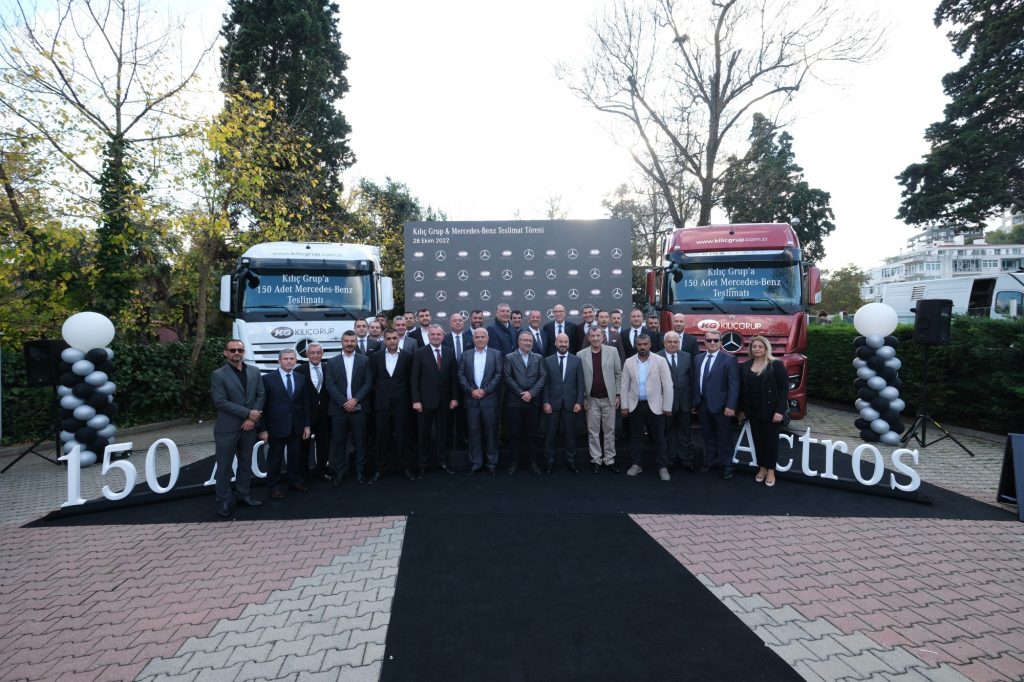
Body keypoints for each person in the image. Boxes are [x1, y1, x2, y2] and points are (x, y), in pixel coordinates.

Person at [210, 340, 265, 517]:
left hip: (249, 427)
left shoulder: (254, 371)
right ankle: (223, 501)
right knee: (224, 467)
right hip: (227, 428)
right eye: (232, 350)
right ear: (226, 352)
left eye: (240, 350)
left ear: (244, 352)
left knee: (245, 463)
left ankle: (243, 495)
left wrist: (252, 418)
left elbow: (261, 394)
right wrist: (249, 413)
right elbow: (220, 401)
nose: (236, 353)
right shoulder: (218, 374)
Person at [259, 349, 311, 499]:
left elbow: (305, 403)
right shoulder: (268, 379)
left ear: (296, 360)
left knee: (295, 457)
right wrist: (263, 429)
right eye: (286, 359)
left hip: (297, 426)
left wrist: (307, 425)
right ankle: (273, 487)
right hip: (276, 427)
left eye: (292, 358)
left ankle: (293, 481)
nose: (289, 361)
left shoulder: (301, 378)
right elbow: (263, 406)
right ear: (279, 361)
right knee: (275, 458)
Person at [738, 335, 790, 487]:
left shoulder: (776, 365)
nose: (757, 349)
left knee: (770, 442)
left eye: (760, 346)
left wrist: (780, 410)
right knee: (757, 440)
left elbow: (783, 389)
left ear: (766, 348)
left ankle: (771, 470)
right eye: (754, 347)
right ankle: (761, 468)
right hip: (752, 410)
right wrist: (741, 410)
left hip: (771, 410)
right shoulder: (745, 366)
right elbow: (742, 390)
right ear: (750, 349)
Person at [620, 334, 673, 480]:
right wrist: (624, 406)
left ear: (650, 344)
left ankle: (662, 467)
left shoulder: (660, 361)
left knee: (659, 438)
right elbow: (624, 385)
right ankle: (636, 465)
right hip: (635, 405)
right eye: (639, 344)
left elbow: (667, 385)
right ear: (635, 346)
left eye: (645, 344)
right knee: (636, 437)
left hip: (656, 405)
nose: (642, 347)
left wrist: (667, 406)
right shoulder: (629, 362)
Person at [325, 330, 374, 485]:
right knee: (339, 443)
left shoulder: (364, 360)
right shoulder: (332, 362)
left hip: (359, 408)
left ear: (356, 342)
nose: (349, 344)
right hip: (338, 409)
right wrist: (344, 402)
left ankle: (360, 472)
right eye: (346, 341)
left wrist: (355, 400)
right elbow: (330, 384)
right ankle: (339, 473)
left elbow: (368, 382)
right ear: (342, 342)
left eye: (352, 341)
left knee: (360, 442)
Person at [411, 324, 459, 476]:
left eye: (439, 334)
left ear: (443, 336)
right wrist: (416, 400)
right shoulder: (419, 353)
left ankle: (442, 462)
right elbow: (414, 379)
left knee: (442, 434)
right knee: (423, 435)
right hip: (424, 402)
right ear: (429, 336)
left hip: (445, 402)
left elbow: (454, 378)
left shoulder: (450, 352)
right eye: (433, 334)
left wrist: (455, 398)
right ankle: (423, 465)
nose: (436, 337)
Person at [692, 331, 740, 479]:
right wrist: (695, 402)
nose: (712, 343)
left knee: (725, 437)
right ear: (704, 342)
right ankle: (711, 462)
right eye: (709, 340)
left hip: (722, 406)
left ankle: (727, 466)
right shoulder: (698, 358)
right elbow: (695, 381)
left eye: (715, 340)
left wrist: (731, 406)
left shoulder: (729, 359)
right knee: (708, 436)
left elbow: (734, 385)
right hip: (703, 404)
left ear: (720, 342)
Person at [370, 328, 415, 481]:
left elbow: (411, 380)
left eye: (394, 338)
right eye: (388, 338)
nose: (391, 341)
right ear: (384, 340)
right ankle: (380, 469)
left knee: (403, 437)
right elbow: (373, 380)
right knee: (382, 437)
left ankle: (406, 468)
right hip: (382, 404)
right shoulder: (375, 357)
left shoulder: (408, 357)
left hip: (402, 404)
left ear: (399, 339)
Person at [458, 327, 504, 476]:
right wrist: (471, 391)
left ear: (487, 338)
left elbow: (498, 375)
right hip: (471, 400)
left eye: (482, 337)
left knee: (491, 433)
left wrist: (485, 390)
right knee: (473, 433)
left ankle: (492, 463)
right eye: (477, 337)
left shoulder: (496, 354)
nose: (479, 339)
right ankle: (476, 463)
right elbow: (461, 375)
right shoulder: (465, 355)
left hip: (489, 400)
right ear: (473, 339)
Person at [578, 326, 622, 474]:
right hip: (591, 400)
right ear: (588, 338)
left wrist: (617, 395)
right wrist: (582, 397)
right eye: (592, 336)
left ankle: (609, 460)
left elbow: (618, 374)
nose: (596, 338)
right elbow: (579, 379)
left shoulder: (613, 351)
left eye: (598, 335)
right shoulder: (580, 354)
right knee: (593, 432)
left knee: (609, 431)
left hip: (609, 399)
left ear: (603, 337)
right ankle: (596, 460)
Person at [503, 331, 546, 474]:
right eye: (525, 340)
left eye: (530, 340)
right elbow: (507, 378)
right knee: (515, 434)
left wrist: (531, 393)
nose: (528, 343)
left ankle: (534, 463)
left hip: (533, 402)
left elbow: (542, 377)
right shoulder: (509, 357)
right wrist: (522, 393)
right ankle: (513, 463)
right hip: (515, 402)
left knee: (532, 435)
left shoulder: (538, 357)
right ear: (518, 342)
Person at [542, 333, 584, 473]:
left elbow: (580, 383)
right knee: (550, 435)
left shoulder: (576, 360)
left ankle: (571, 461)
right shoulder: (547, 360)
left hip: (571, 404)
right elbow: (545, 384)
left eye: (565, 341)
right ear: (555, 343)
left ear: (569, 343)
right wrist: (545, 401)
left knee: (570, 435)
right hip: (552, 404)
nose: (563, 344)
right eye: (560, 341)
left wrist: (579, 401)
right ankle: (548, 462)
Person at [659, 331, 695, 472]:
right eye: (670, 342)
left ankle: (685, 459)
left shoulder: (687, 356)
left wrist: (693, 401)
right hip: (665, 404)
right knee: (667, 433)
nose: (673, 344)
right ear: (664, 343)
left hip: (684, 402)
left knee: (685, 433)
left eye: (675, 342)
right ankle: (670, 460)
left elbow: (692, 380)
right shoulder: (657, 357)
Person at [295, 341, 331, 482]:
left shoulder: (329, 368)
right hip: (306, 415)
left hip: (325, 414)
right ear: (307, 354)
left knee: (324, 444)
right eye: (312, 353)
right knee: (304, 446)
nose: (315, 355)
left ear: (322, 354)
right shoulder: (299, 370)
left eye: (318, 352)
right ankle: (303, 474)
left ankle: (321, 470)